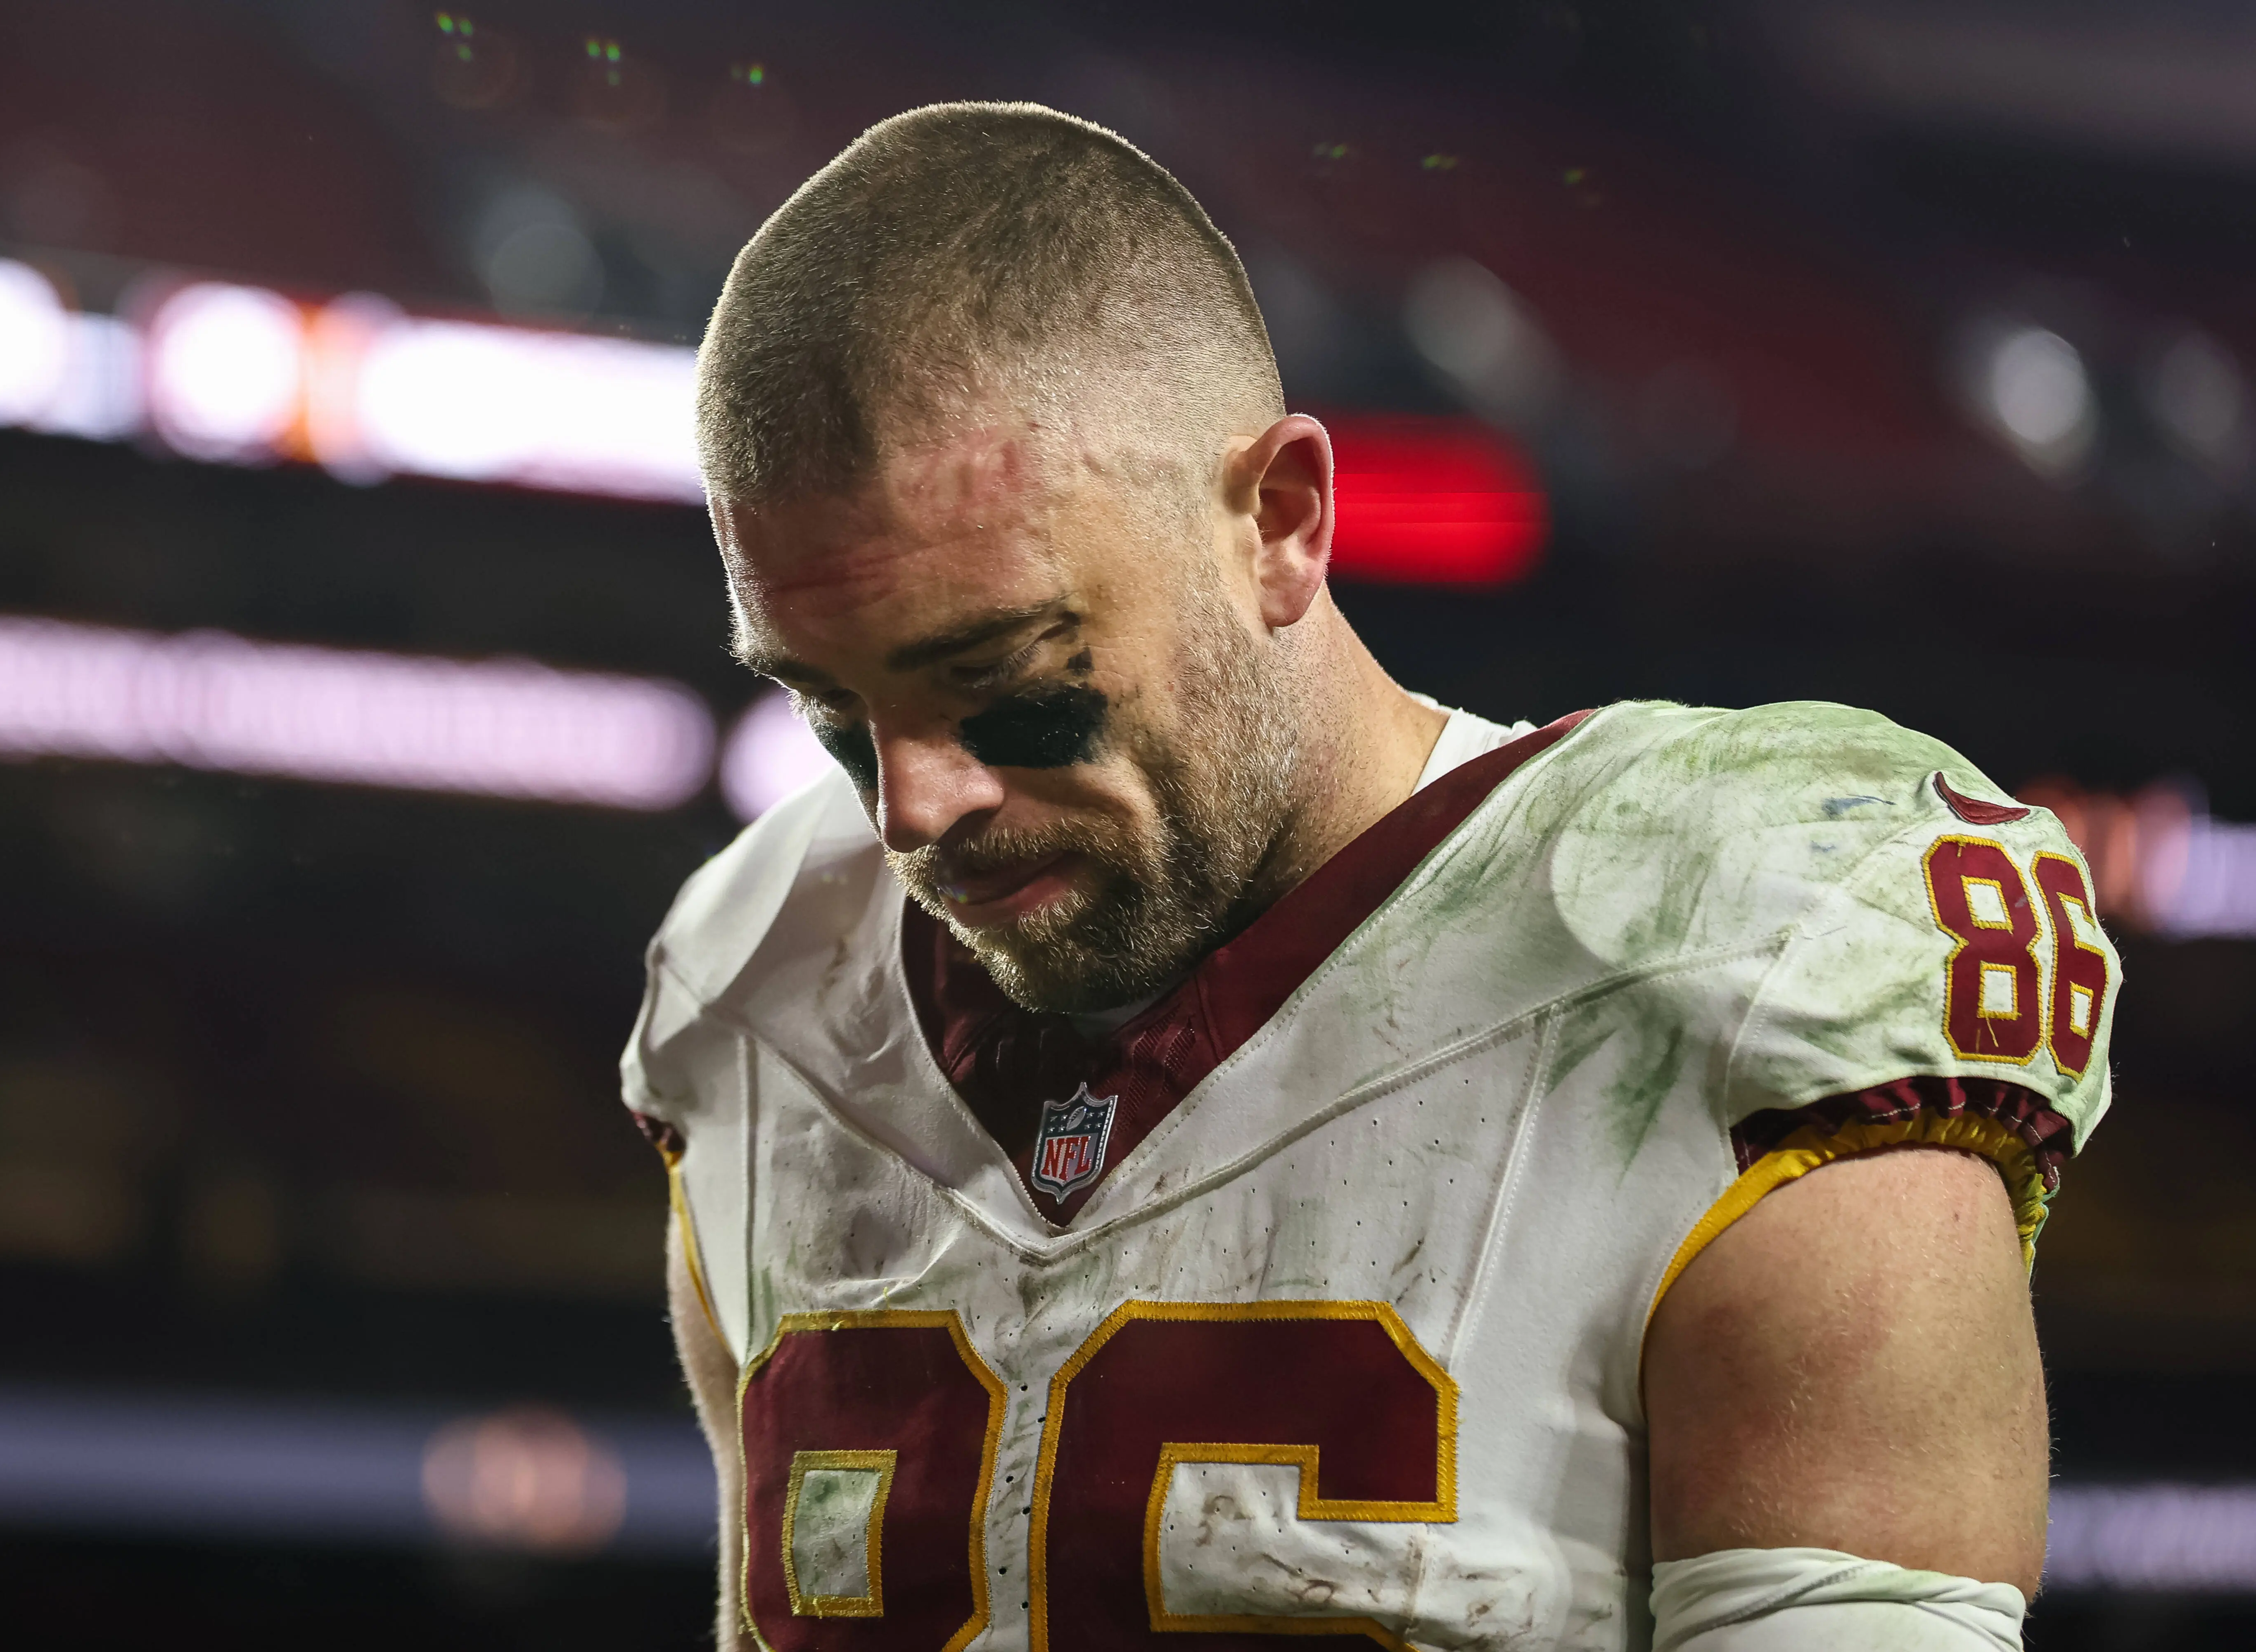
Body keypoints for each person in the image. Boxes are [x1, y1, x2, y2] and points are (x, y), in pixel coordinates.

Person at [623, 101, 2116, 1652]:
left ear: (1280, 521)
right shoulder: (761, 979)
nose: (912, 806)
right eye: (832, 710)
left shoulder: (1726, 928)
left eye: (1011, 679)